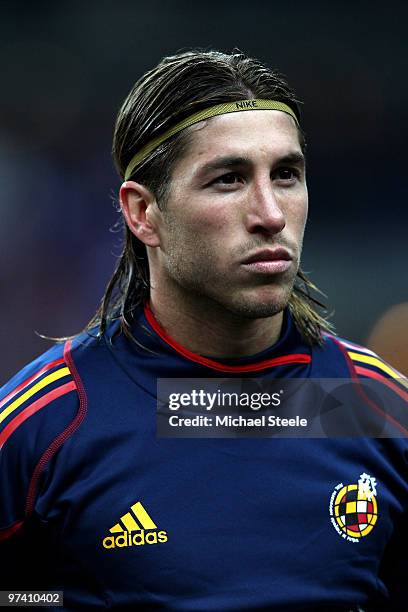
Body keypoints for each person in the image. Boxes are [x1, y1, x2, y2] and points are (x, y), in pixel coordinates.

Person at [1, 50, 407, 611]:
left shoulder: (376, 406)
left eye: (286, 174)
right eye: (228, 179)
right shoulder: (46, 423)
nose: (270, 213)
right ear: (144, 213)